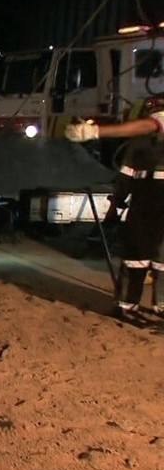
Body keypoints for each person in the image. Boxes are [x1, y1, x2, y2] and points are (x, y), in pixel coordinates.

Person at [66, 118, 164, 325]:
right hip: (145, 202)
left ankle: (159, 305)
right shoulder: (139, 144)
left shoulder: (146, 132)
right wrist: (114, 206)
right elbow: (126, 176)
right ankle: (127, 306)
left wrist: (95, 132)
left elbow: (149, 125)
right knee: (136, 256)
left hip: (150, 201)